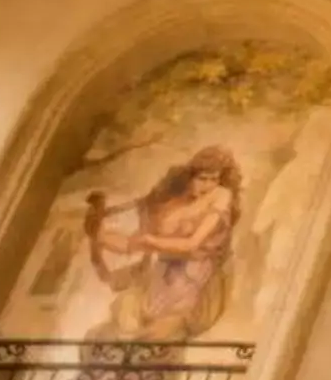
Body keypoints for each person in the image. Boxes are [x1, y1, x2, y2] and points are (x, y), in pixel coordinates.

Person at [83, 145, 244, 344]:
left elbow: (192, 244)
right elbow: (128, 245)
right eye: (202, 178)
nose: (209, 185)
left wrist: (151, 241)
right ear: (189, 178)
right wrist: (97, 232)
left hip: (194, 279)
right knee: (127, 317)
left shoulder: (220, 197)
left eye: (214, 179)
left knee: (160, 334)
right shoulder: (173, 208)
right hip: (163, 278)